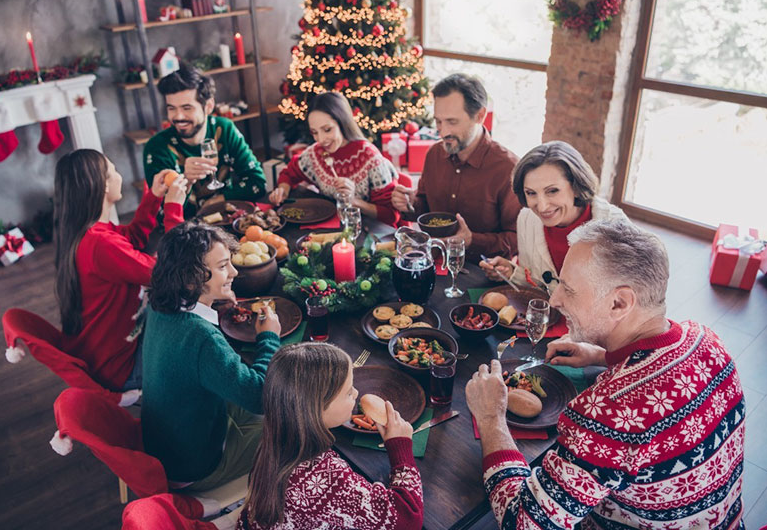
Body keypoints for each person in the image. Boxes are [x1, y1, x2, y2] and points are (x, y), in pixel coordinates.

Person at [466, 219, 745, 529]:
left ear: (619, 303)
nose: (555, 300)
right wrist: (603, 356)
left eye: (569, 289)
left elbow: (524, 522)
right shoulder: (706, 338)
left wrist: (490, 418)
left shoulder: (608, 413)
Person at [142, 221, 281, 491]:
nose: (234, 272)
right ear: (191, 279)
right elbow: (260, 397)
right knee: (296, 427)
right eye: (222, 267)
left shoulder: (160, 304)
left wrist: (214, 298)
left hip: (170, 445)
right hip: (197, 466)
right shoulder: (200, 337)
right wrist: (269, 337)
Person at [239, 343, 423, 530]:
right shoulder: (326, 477)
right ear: (317, 407)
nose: (356, 393)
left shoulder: (278, 436)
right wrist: (400, 447)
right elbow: (407, 520)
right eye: (348, 392)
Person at [54, 148, 186, 400]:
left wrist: (154, 197)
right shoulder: (101, 245)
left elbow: (132, 238)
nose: (119, 175)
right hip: (121, 368)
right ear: (103, 185)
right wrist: (173, 208)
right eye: (113, 170)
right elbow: (173, 273)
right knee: (194, 333)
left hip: (103, 354)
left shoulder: (89, 233)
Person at [390, 73, 521, 258]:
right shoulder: (434, 154)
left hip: (483, 269)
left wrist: (472, 240)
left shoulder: (508, 168)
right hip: (434, 259)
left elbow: (519, 239)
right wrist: (410, 204)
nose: (443, 132)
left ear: (480, 116)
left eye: (452, 122)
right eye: (438, 121)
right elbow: (425, 208)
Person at [479, 140, 628, 290]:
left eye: (552, 191)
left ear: (576, 187)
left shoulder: (615, 226)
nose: (542, 207)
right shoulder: (527, 219)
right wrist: (511, 272)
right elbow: (535, 284)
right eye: (531, 193)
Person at [143, 66, 267, 219]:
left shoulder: (224, 129)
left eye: (187, 108)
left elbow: (258, 183)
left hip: (228, 222)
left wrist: (218, 200)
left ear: (208, 106)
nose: (178, 116)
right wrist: (186, 181)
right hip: (184, 230)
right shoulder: (156, 147)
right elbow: (162, 215)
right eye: (172, 108)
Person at [268, 91, 400, 226]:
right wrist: (283, 190)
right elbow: (289, 173)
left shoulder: (370, 158)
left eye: (327, 130)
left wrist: (353, 201)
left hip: (369, 230)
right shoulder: (316, 153)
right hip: (333, 225)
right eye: (314, 132)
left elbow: (391, 215)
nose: (321, 139)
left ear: (343, 123)